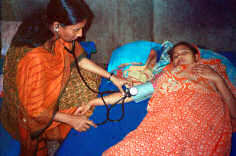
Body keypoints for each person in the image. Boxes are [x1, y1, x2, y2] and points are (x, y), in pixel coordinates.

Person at [0, 0, 128, 155]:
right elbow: (34, 111)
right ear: (57, 26)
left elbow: (80, 59)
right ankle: (58, 132)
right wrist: (71, 120)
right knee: (82, 104)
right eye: (76, 29)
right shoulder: (35, 59)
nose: (81, 34)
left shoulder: (55, 32)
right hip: (28, 108)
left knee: (90, 79)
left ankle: (65, 124)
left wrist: (113, 77)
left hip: (43, 83)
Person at [80, 41, 236, 155]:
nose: (179, 57)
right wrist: (93, 101)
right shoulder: (166, 76)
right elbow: (131, 93)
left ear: (196, 56)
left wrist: (217, 79)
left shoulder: (215, 70)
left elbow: (234, 113)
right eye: (175, 56)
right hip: (165, 125)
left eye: (184, 53)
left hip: (205, 126)